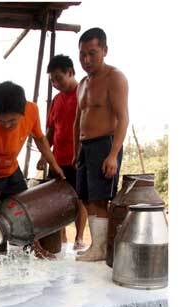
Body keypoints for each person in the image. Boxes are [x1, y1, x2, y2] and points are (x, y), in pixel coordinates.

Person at [0, 81, 66, 257]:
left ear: (22, 113)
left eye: (12, 121)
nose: (6, 125)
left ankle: (34, 249)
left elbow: (40, 139)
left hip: (11, 170)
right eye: (2, 120)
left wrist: (54, 164)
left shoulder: (31, 110)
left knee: (25, 210)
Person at [73, 28, 129, 262]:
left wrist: (113, 154)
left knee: (99, 198)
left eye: (92, 53)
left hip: (105, 144)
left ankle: (101, 248)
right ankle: (96, 246)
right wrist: (78, 151)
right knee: (85, 197)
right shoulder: (82, 83)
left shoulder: (114, 77)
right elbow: (78, 120)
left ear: (105, 50)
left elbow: (123, 117)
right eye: (82, 54)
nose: (86, 60)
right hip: (85, 148)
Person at [37, 54, 88, 251]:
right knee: (56, 202)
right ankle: (62, 237)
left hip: (79, 159)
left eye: (59, 78)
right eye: (52, 80)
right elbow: (50, 132)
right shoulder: (56, 101)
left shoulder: (84, 93)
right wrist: (44, 155)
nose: (56, 83)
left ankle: (80, 238)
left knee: (80, 198)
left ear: (71, 72)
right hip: (57, 161)